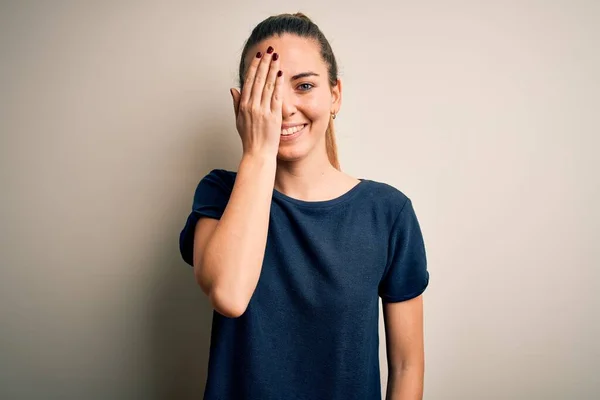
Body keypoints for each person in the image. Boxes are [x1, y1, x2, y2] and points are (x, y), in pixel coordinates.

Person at [179, 12, 430, 400]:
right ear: (242, 103)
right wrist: (258, 155)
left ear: (335, 95)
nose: (284, 108)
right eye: (265, 92)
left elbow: (406, 365)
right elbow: (229, 295)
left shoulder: (389, 213)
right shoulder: (218, 193)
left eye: (304, 86)